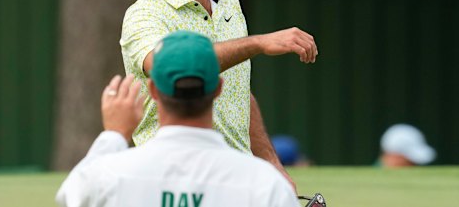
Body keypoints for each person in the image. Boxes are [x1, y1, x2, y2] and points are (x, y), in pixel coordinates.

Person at [120, 0, 318, 191]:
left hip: (234, 184)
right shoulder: (144, 15)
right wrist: (258, 44)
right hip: (171, 186)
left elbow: (239, 97)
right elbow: (166, 64)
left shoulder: (229, 4)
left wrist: (274, 167)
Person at [56, 31, 300, 207]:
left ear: (152, 91)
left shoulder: (109, 174)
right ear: (218, 88)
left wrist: (114, 135)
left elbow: (70, 196)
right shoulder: (264, 183)